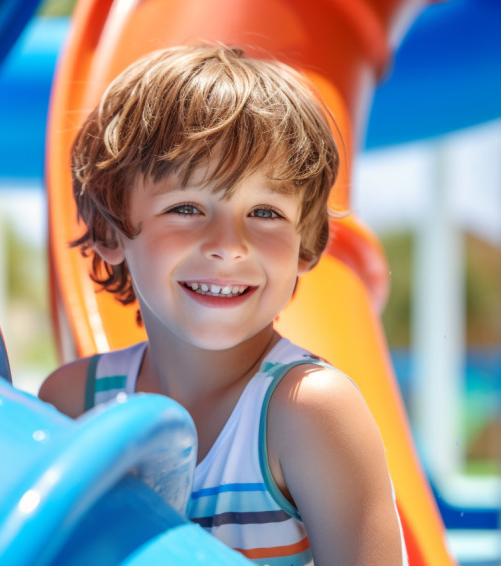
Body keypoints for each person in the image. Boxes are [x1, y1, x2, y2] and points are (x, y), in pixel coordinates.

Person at [39, 44, 406, 565]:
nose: (228, 244)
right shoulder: (77, 402)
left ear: (308, 244)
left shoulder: (306, 412)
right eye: (186, 207)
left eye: (264, 211)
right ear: (108, 230)